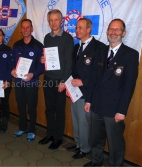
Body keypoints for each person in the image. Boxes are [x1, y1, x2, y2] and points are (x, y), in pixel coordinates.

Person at [83, 19, 139, 166]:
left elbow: (129, 85)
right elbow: (94, 78)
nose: (113, 32)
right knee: (96, 138)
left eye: (117, 29)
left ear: (123, 33)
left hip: (114, 109)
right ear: (107, 32)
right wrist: (89, 100)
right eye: (111, 29)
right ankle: (96, 161)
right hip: (97, 104)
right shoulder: (100, 51)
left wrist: (122, 110)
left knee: (115, 143)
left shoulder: (131, 55)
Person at [65, 18, 105, 159]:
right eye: (77, 27)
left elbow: (100, 73)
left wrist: (84, 81)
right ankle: (78, 144)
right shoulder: (77, 47)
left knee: (83, 122)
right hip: (74, 91)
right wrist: (68, 84)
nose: (77, 30)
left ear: (89, 29)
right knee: (76, 120)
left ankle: (85, 148)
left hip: (87, 93)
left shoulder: (99, 48)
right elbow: (73, 69)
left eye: (81, 27)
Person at [39, 9, 74, 149]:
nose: (53, 23)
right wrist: (43, 59)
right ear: (49, 22)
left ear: (61, 21)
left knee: (59, 111)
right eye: (51, 20)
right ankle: (50, 134)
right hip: (48, 78)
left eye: (56, 20)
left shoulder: (67, 38)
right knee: (49, 109)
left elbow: (69, 62)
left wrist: (63, 81)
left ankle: (58, 138)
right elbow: (48, 57)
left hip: (60, 80)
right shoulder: (47, 37)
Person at [11, 19, 44, 142]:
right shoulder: (16, 45)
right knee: (21, 106)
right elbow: (12, 63)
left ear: (32, 29)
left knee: (31, 108)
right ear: (21, 29)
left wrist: (32, 74)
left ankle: (32, 130)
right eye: (23, 27)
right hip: (18, 82)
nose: (25, 30)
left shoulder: (38, 46)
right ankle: (22, 128)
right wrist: (12, 70)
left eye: (27, 27)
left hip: (32, 82)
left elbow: (42, 66)